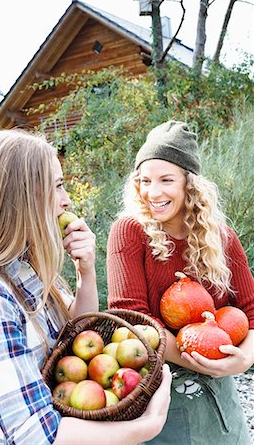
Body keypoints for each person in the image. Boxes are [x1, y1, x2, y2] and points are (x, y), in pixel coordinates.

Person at [0, 129, 172, 445]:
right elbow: (36, 437)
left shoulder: (23, 266)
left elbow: (77, 339)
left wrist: (85, 273)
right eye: (57, 186)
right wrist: (148, 424)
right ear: (21, 196)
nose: (66, 199)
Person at [107, 120, 254, 445]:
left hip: (219, 388)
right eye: (144, 180)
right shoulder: (129, 233)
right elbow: (130, 317)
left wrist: (243, 359)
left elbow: (252, 311)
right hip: (156, 382)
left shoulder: (221, 238)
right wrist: (197, 358)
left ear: (191, 184)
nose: (152, 192)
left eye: (166, 180)